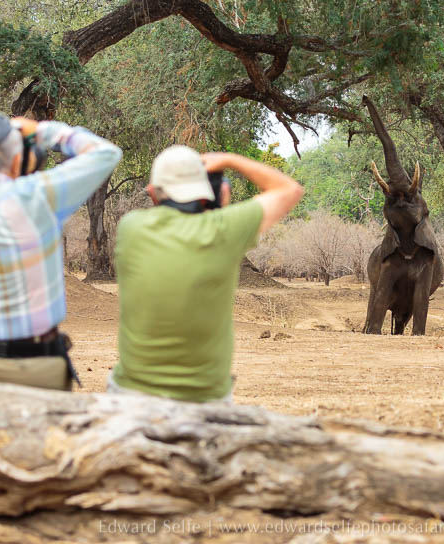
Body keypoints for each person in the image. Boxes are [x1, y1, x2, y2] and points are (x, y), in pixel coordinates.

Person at [0, 107, 122, 390]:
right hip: (34, 364)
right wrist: (43, 131)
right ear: (16, 157)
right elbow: (107, 154)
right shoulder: (37, 195)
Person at [107, 146, 303, 402]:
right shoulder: (224, 230)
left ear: (153, 193)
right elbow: (289, 190)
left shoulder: (131, 227)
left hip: (131, 394)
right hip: (204, 397)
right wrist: (231, 159)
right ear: (212, 194)